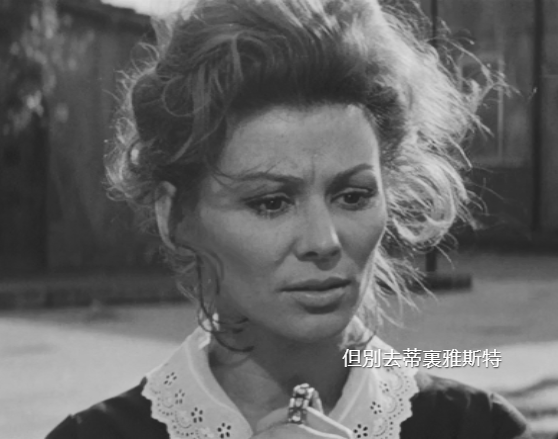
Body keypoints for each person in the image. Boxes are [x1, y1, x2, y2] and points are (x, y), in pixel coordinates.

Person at [46, 0, 531, 438]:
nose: (324, 241)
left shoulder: (480, 430)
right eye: (271, 203)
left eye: (353, 196)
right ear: (175, 216)